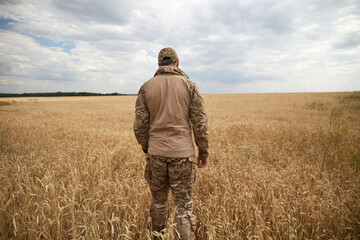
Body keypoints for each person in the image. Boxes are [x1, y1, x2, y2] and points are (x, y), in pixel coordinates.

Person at [133, 47, 209, 239]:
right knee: (184, 207)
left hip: (156, 154)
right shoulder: (189, 86)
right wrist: (203, 152)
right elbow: (200, 123)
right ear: (177, 63)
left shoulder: (146, 87)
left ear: (159, 65)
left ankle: (157, 236)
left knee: (158, 203)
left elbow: (139, 125)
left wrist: (147, 148)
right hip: (183, 156)